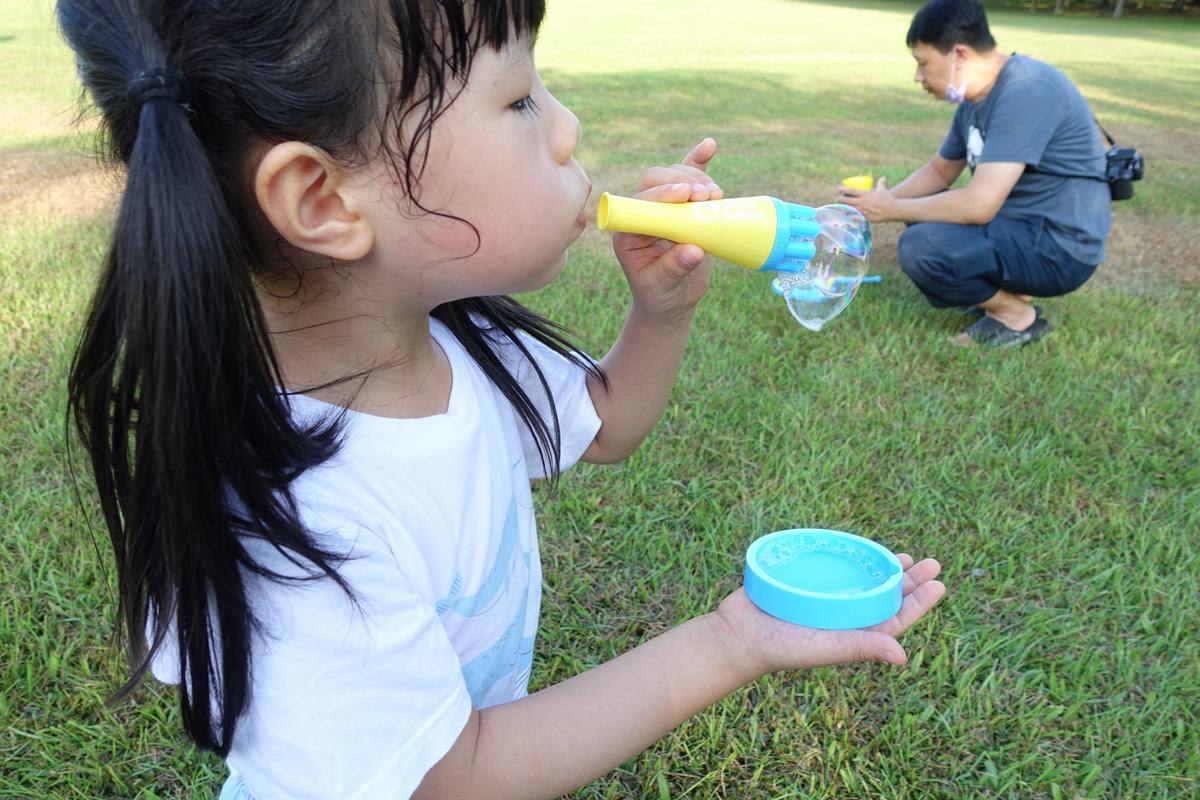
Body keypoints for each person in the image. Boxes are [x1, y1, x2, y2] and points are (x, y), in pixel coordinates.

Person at [60, 1, 946, 798]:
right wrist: (731, 640)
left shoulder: (450, 338)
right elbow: (454, 775)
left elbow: (606, 420)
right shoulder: (296, 529)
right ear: (323, 200)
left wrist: (661, 313)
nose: (567, 128)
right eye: (520, 100)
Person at [838, 0, 1111, 349]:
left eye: (923, 64)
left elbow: (979, 205)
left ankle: (1014, 315)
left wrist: (892, 208)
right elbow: (940, 170)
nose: (918, 77)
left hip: (1061, 247)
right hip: (1024, 228)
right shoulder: (975, 99)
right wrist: (875, 205)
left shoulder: (1027, 90)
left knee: (922, 245)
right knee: (923, 219)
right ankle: (1009, 288)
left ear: (960, 55)